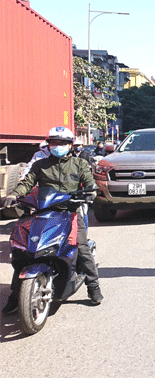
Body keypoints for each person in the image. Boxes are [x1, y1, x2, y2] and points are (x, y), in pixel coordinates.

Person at [2, 126, 102, 314]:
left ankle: (93, 286)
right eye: (55, 142)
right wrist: (14, 195)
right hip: (43, 213)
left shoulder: (79, 164)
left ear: (70, 145)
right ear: (49, 145)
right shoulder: (40, 165)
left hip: (69, 213)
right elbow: (27, 183)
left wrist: (91, 192)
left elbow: (89, 182)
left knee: (81, 248)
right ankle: (15, 295)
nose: (59, 146)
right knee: (23, 251)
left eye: (63, 143)